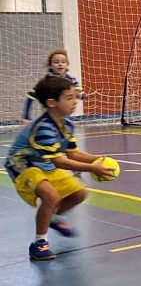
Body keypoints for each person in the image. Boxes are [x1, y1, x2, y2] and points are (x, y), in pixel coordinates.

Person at [6, 76, 114, 261]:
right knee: (51, 196)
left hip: (42, 164)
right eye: (69, 98)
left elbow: (72, 153)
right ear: (52, 103)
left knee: (79, 193)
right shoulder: (44, 128)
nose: (75, 102)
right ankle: (39, 243)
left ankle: (52, 217)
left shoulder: (67, 125)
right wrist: (92, 168)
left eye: (75, 97)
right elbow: (59, 161)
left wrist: (100, 159)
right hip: (22, 165)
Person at [21, 50, 86, 124]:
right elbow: (31, 94)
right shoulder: (47, 82)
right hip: (49, 117)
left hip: (64, 116)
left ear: (67, 64)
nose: (60, 64)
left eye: (63, 62)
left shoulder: (72, 80)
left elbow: (76, 93)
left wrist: (80, 95)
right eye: (56, 62)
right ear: (50, 65)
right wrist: (26, 115)